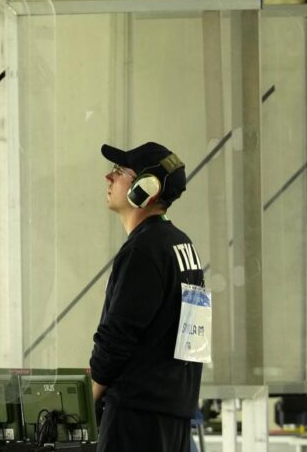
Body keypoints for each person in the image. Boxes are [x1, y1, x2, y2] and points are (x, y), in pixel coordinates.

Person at [90, 141, 207, 452]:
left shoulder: (143, 251)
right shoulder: (183, 247)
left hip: (136, 420)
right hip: (174, 415)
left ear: (145, 188)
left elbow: (116, 339)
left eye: (119, 171)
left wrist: (86, 398)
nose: (108, 178)